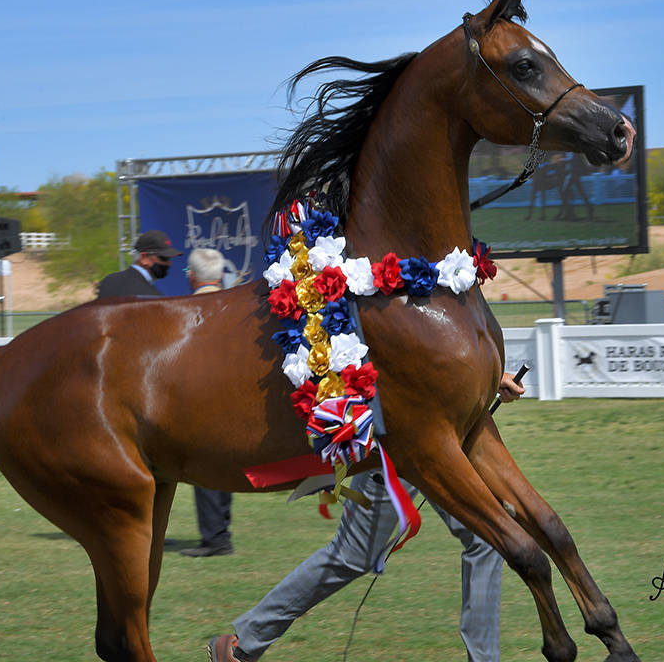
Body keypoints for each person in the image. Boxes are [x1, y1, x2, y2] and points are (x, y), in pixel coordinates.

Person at [207, 372, 526, 662]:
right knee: (352, 555)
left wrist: (489, 377)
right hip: (395, 444)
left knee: (488, 537)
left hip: (436, 442)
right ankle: (241, 643)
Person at [180, 247, 235, 557]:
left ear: (191, 276)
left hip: (201, 396)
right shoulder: (235, 307)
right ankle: (219, 532)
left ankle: (216, 538)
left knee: (206, 467)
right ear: (221, 275)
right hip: (234, 392)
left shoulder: (186, 309)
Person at [96, 229, 181, 298]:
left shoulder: (108, 281)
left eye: (169, 258)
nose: (169, 263)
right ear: (144, 258)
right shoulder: (151, 297)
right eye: (164, 258)